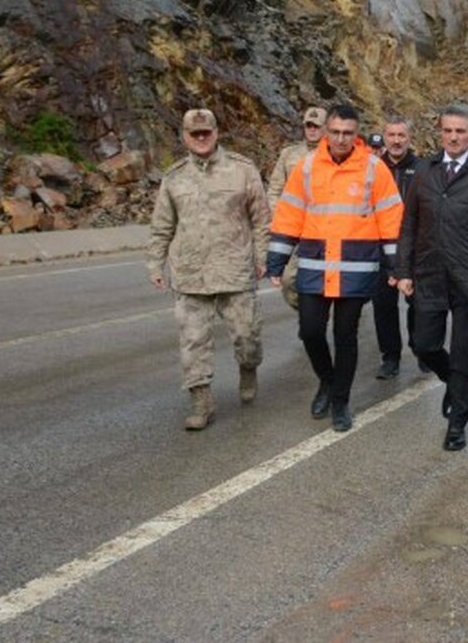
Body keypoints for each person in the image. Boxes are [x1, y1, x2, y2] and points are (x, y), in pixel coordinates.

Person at [268, 104, 404, 433]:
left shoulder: (374, 169)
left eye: (348, 133)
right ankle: (327, 382)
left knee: (346, 337)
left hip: (355, 269)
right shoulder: (306, 167)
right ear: (326, 132)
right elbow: (290, 213)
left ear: (356, 135)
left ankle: (340, 400)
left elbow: (390, 218)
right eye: (335, 132)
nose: (341, 139)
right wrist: (277, 259)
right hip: (314, 266)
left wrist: (396, 265)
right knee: (310, 331)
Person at [394, 103, 468, 452]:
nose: (454, 137)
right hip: (428, 274)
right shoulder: (425, 172)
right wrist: (403, 270)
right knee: (423, 344)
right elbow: (409, 224)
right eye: (448, 130)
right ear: (440, 132)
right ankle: (454, 382)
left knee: (463, 353)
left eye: (461, 131)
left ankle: (457, 422)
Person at [148, 108, 270, 430]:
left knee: (248, 337)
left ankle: (248, 368)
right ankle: (201, 403)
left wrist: (263, 257)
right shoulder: (174, 178)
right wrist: (155, 262)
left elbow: (261, 219)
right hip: (190, 274)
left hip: (235, 270)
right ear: (184, 137)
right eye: (194, 134)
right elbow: (162, 225)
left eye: (206, 132)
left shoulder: (242, 170)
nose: (201, 138)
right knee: (192, 342)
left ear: (216, 133)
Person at [369, 120, 429, 378]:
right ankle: (390, 356)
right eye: (391, 135)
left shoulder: (423, 168)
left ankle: (420, 348)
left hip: (414, 248)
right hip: (380, 249)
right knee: (383, 306)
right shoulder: (372, 169)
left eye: (401, 135)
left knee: (418, 302)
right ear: (384, 137)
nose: (396, 140)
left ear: (409, 137)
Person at [266, 106, 327, 310]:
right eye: (308, 125)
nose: (312, 130)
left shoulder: (334, 154)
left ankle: (319, 315)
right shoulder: (289, 155)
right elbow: (275, 190)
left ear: (326, 128)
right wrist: (281, 218)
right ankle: (308, 313)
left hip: (325, 228)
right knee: (289, 280)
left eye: (317, 126)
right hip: (295, 229)